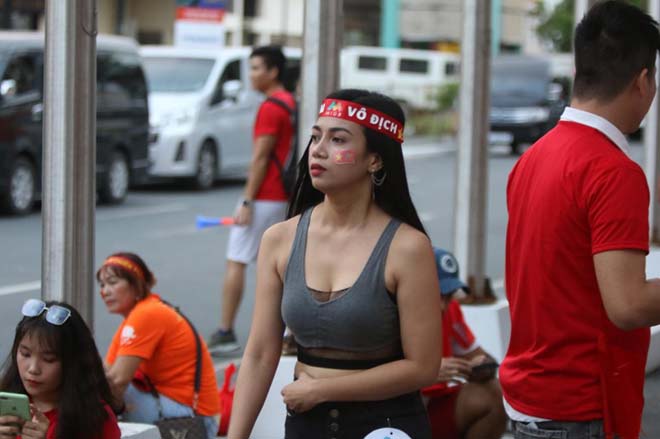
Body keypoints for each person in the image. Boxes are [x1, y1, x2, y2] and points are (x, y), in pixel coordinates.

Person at [227, 89, 443, 439]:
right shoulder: (279, 239)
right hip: (305, 425)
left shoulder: (408, 248)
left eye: (338, 138)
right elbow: (259, 353)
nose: (319, 149)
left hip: (386, 426)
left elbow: (423, 368)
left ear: (375, 159)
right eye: (315, 137)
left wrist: (323, 390)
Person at [502, 2, 660, 438]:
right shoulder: (614, 171)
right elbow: (628, 305)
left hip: (532, 399)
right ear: (643, 81)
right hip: (581, 408)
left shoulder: (534, 157)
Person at [208, 45, 297, 354]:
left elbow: (260, 158)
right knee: (277, 266)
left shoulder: (271, 107)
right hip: (283, 196)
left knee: (237, 260)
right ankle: (284, 332)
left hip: (265, 195)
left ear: (273, 72)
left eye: (257, 68)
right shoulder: (291, 103)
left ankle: (225, 331)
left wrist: (247, 200)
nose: (252, 74)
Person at [99, 252, 220, 438]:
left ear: (137, 284)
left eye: (113, 282)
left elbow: (116, 380)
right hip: (180, 410)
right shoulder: (135, 316)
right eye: (102, 284)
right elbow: (106, 373)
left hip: (193, 419)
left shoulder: (147, 313)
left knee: (112, 391)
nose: (105, 291)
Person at [0, 299, 120, 439]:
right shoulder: (5, 403)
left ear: (72, 362)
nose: (33, 369)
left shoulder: (95, 418)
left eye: (48, 359)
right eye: (25, 354)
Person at [422, 248, 507, 439]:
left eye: (449, 295)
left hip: (432, 405)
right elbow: (373, 379)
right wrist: (424, 374)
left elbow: (481, 356)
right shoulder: (390, 311)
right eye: (437, 293)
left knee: (495, 392)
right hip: (397, 412)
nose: (444, 305)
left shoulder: (451, 309)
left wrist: (481, 366)